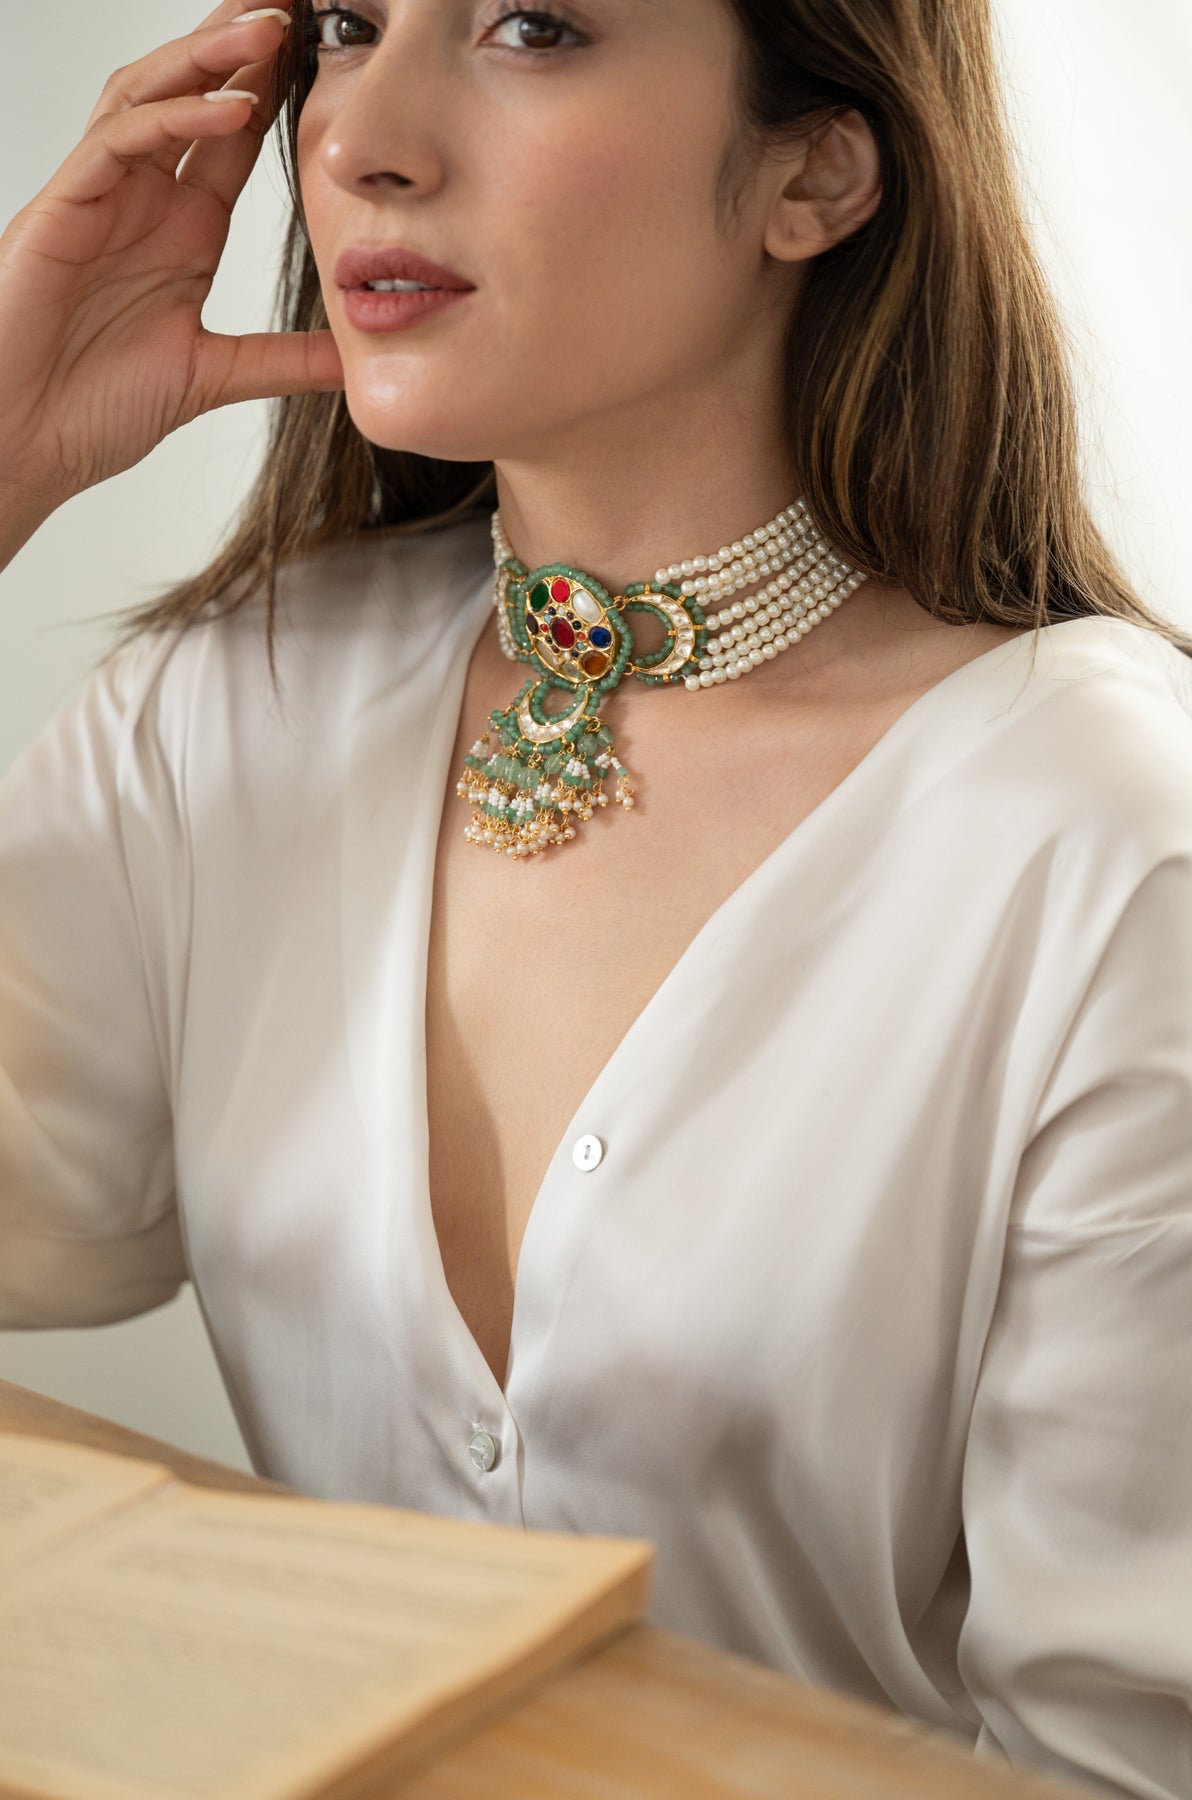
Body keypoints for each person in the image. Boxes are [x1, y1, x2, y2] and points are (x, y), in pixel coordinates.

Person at [1, 1, 1190, 1793]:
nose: (359, 139)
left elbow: (1121, 1754)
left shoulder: (1108, 843)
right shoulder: (229, 708)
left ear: (816, 171)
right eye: (348, 27)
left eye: (533, 27)